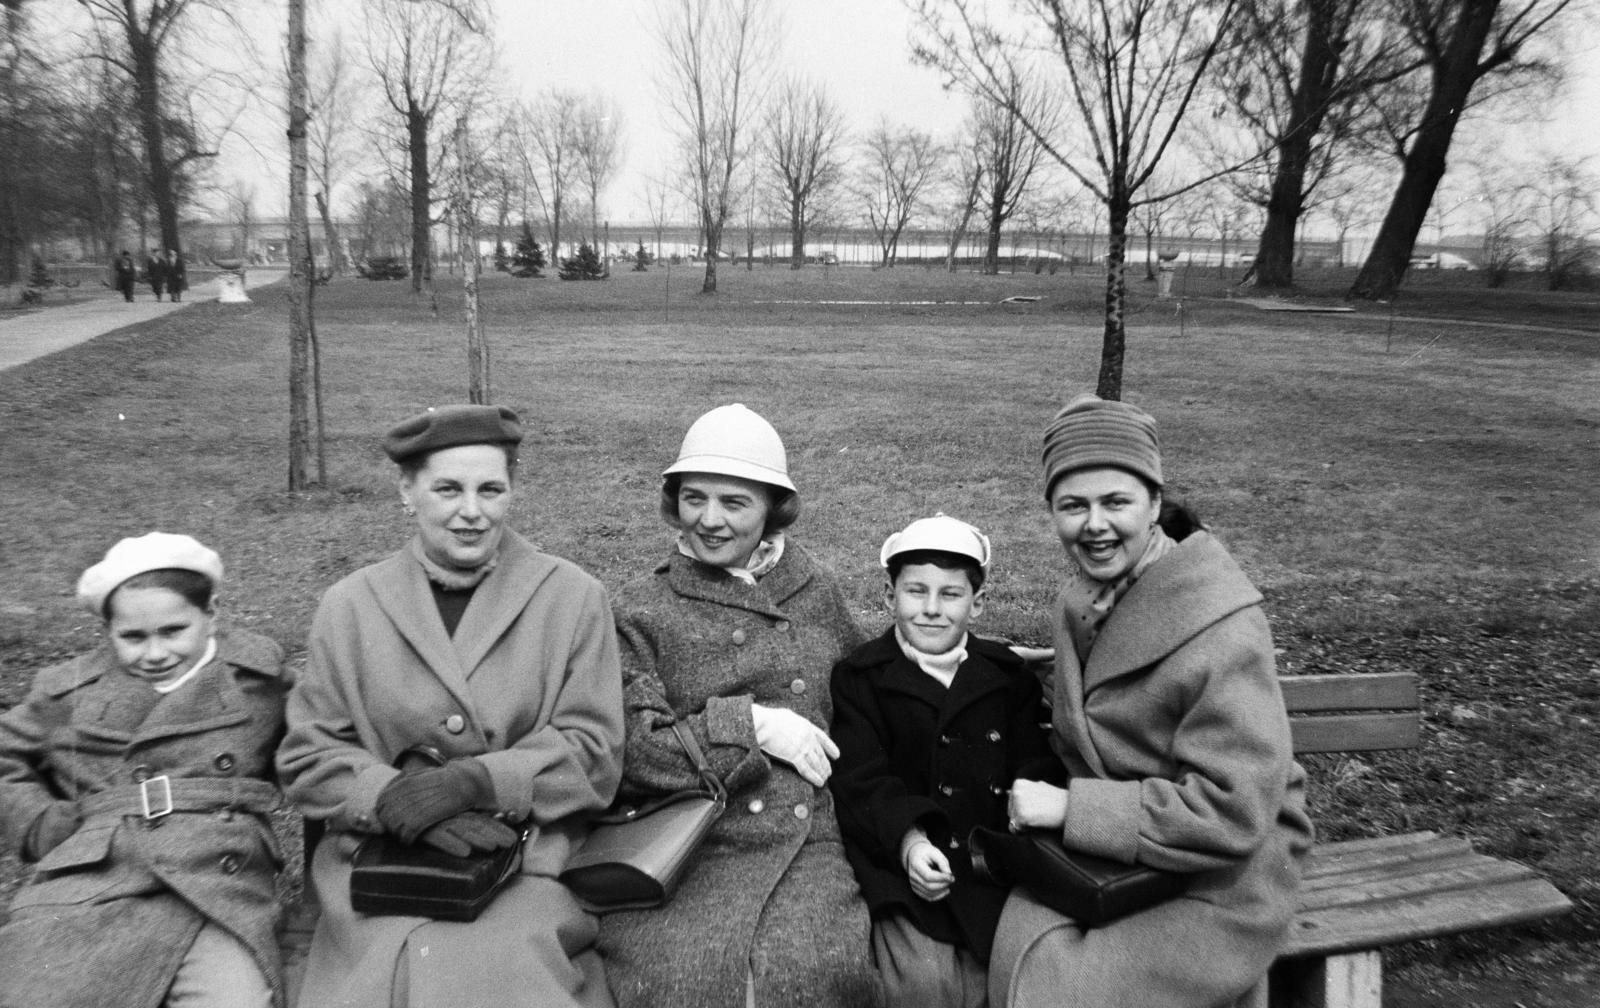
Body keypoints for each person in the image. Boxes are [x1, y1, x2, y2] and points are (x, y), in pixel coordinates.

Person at [277, 404, 624, 1008]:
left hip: (521, 863)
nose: (472, 511)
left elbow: (594, 754)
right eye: (447, 489)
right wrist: (386, 797)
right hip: (378, 867)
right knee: (389, 970)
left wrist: (475, 782)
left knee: (497, 968)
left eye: (491, 489)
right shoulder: (351, 604)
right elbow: (309, 754)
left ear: (513, 491)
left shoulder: (571, 597)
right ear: (406, 492)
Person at [990, 394, 1314, 1008]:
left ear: (1156, 505)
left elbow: (1233, 810)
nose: (1094, 525)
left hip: (1217, 869)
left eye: (1116, 502)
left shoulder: (1220, 622)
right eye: (1072, 506)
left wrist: (1069, 808)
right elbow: (1113, 700)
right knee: (1008, 955)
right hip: (1117, 855)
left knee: (1060, 992)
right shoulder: (1079, 601)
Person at [596, 403, 880, 1008]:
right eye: (694, 498)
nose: (710, 520)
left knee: (816, 973)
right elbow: (631, 750)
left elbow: (869, 698)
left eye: (734, 503)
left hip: (808, 842)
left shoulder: (814, 586)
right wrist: (750, 725)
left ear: (773, 509)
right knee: (676, 983)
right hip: (683, 842)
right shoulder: (641, 608)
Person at [0, 532, 289, 1008]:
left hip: (218, 883)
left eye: (174, 631)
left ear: (211, 614)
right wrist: (35, 822)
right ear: (107, 631)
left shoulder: (257, 676)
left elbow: (319, 729)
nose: (154, 654)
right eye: (131, 637)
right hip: (95, 880)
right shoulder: (70, 689)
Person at [830, 515, 1059, 1008]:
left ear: (977, 604)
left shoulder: (1006, 676)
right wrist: (909, 841)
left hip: (989, 865)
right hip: (903, 864)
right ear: (889, 596)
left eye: (950, 595)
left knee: (1013, 982)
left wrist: (1026, 806)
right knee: (921, 985)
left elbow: (1033, 764)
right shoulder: (861, 678)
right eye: (916, 591)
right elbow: (860, 780)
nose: (931, 610)